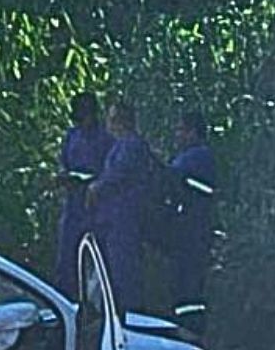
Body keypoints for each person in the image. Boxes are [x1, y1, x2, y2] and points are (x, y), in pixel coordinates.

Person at [87, 101, 154, 312]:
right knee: (113, 270)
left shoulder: (132, 145)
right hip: (113, 218)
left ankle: (130, 315)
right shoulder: (119, 145)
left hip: (125, 218)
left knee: (124, 271)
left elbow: (118, 175)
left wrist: (95, 188)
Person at [54, 93, 114, 299]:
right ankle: (66, 302)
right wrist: (63, 177)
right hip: (73, 205)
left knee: (99, 261)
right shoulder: (72, 135)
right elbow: (64, 163)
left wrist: (95, 181)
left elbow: (112, 172)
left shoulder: (106, 139)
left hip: (97, 207)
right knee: (66, 260)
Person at [164, 110, 217, 337]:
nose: (177, 135)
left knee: (190, 286)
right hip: (186, 231)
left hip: (194, 231)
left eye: (181, 130)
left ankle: (192, 332)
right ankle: (186, 328)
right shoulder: (188, 157)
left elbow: (174, 182)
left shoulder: (198, 157)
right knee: (182, 284)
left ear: (193, 132)